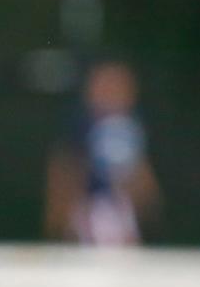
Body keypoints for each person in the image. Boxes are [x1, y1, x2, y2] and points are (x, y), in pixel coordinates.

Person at [45, 61, 161, 246]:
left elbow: (150, 209)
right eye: (103, 85)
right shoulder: (72, 138)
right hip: (81, 241)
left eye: (117, 86)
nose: (110, 94)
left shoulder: (138, 134)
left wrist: (127, 166)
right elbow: (55, 217)